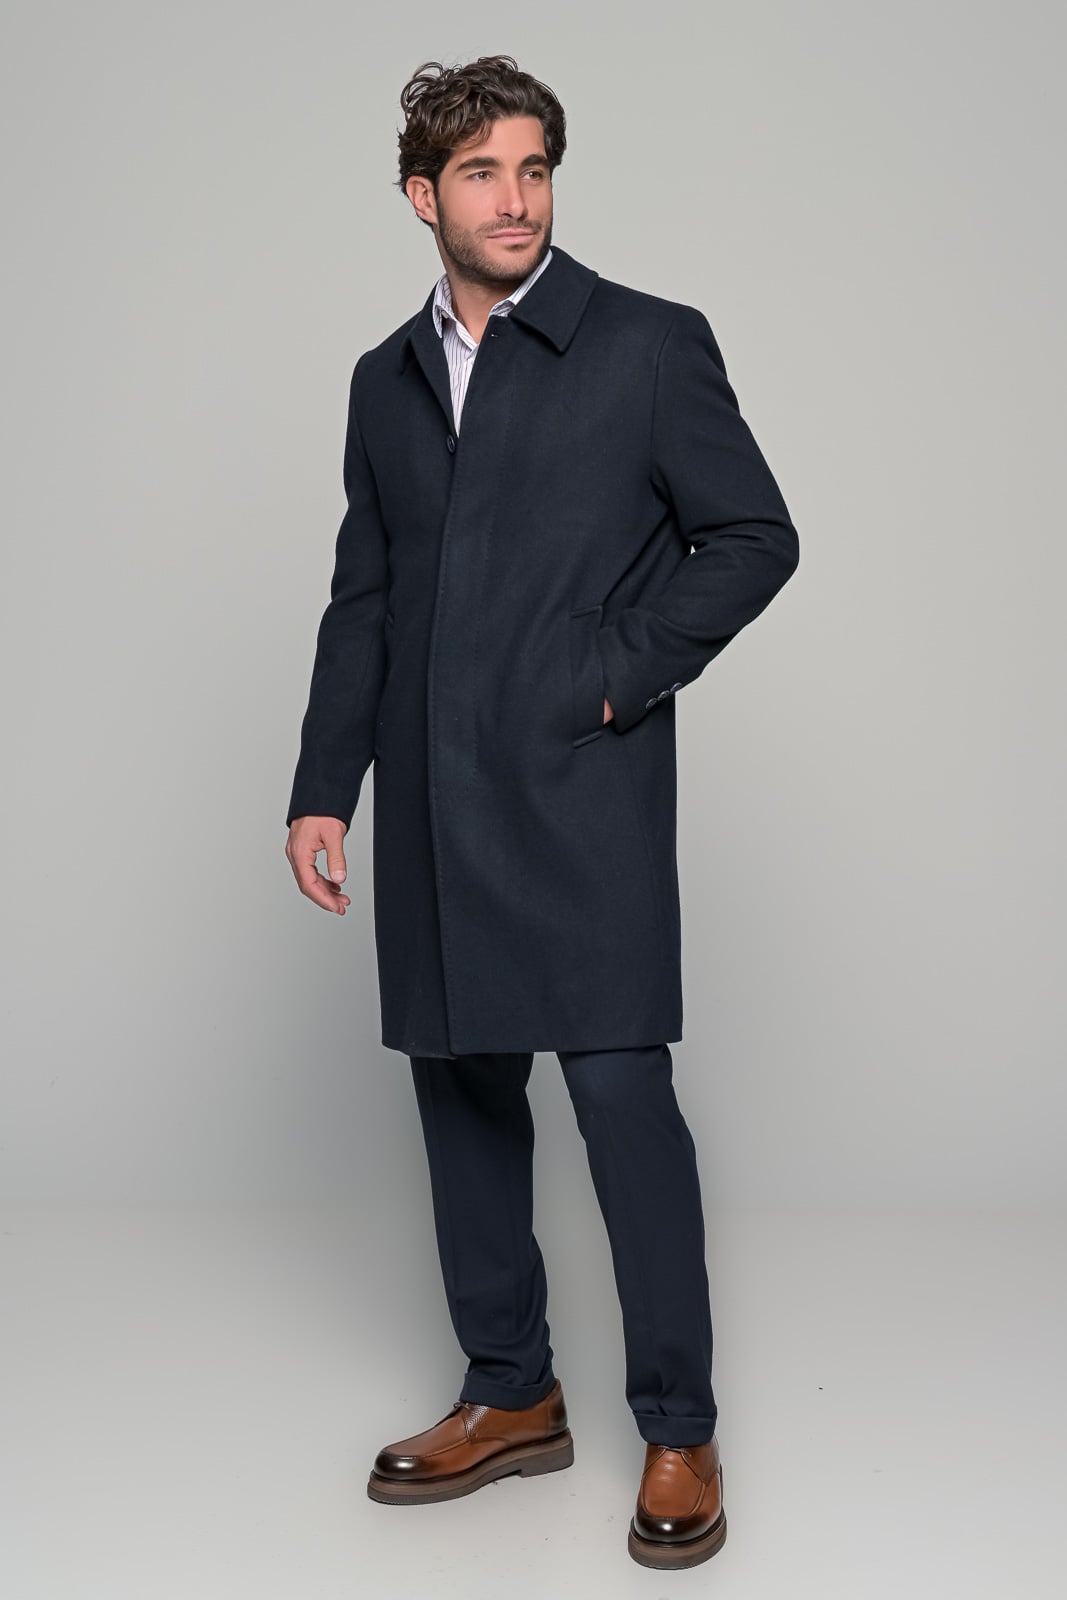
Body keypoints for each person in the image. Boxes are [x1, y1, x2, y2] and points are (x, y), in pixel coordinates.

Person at [284, 54, 799, 1571]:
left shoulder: (645, 344)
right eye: (482, 174)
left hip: (581, 790)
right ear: (421, 196)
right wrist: (324, 786)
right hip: (432, 799)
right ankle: (511, 1392)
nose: (516, 201)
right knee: (460, 1094)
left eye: (534, 169)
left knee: (624, 1102)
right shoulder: (385, 379)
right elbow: (364, 598)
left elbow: (753, 535)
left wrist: (608, 677)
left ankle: (681, 1426)